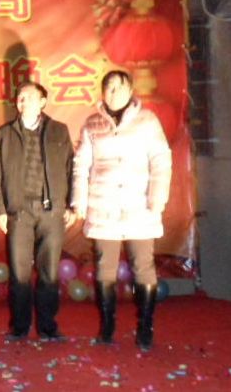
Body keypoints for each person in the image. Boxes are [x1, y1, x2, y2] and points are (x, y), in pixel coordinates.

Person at [71, 70, 171, 351]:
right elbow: (81, 165)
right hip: (103, 206)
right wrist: (79, 201)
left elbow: (161, 160)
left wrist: (157, 198)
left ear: (130, 91)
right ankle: (107, 326)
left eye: (119, 87)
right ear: (103, 93)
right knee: (105, 267)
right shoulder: (92, 124)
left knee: (143, 266)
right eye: (109, 87)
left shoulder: (147, 121)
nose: (114, 92)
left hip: (139, 205)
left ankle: (145, 326)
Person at [0, 82, 75, 342]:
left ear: (42, 102)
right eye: (20, 97)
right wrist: (0, 210)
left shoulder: (59, 131)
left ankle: (48, 327)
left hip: (51, 211)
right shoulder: (4, 134)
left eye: (29, 97)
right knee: (19, 273)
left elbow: (72, 170)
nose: (23, 101)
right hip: (19, 212)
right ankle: (19, 327)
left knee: (49, 272)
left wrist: (72, 205)